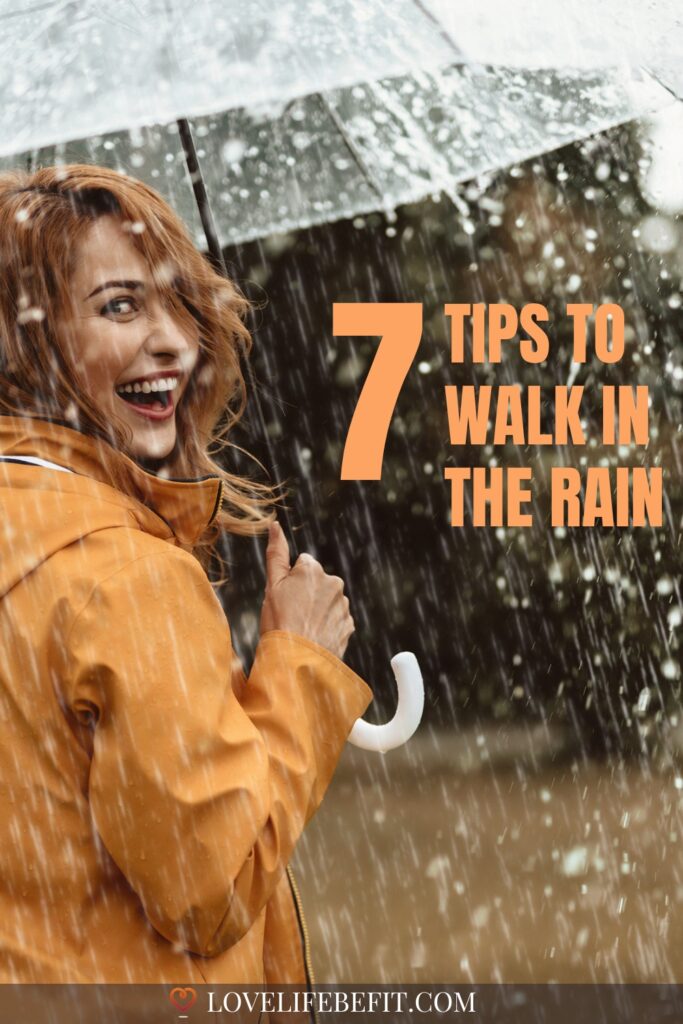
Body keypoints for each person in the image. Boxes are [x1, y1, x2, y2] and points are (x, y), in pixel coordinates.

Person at [0, 165, 372, 985]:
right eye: (120, 306)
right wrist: (298, 668)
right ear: (23, 339)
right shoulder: (122, 576)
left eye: (181, 304)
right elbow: (210, 886)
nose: (173, 341)